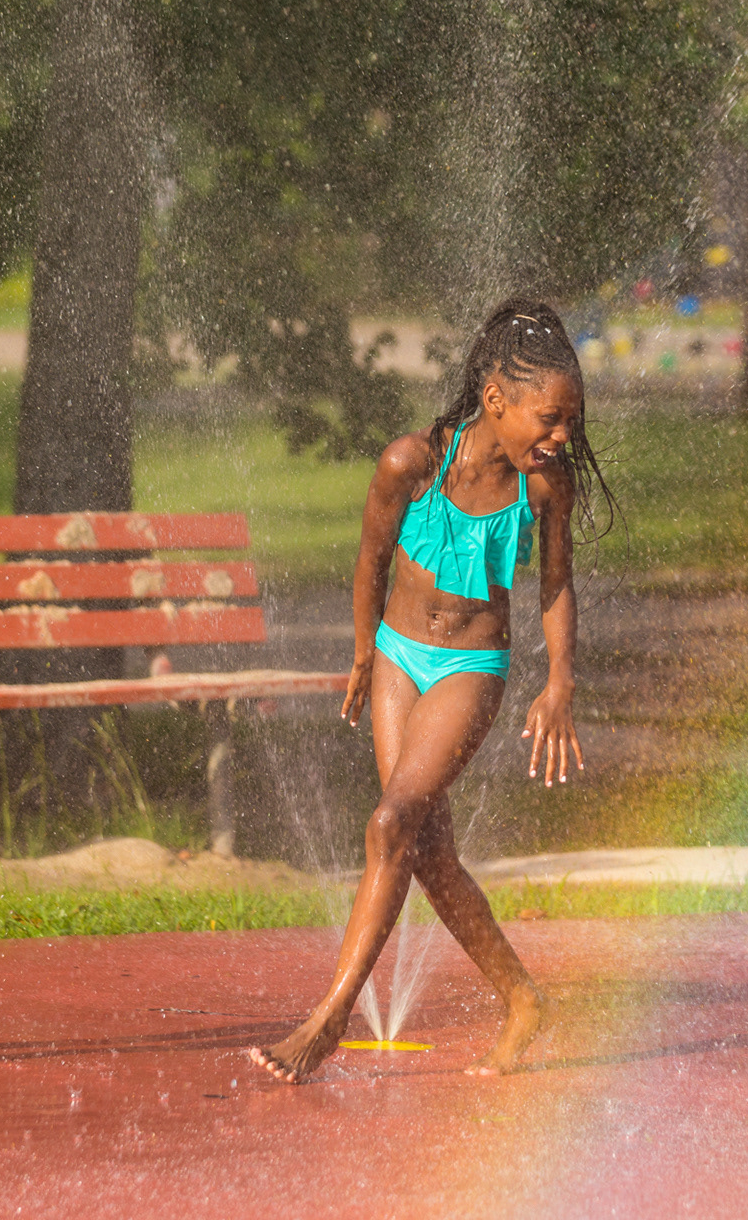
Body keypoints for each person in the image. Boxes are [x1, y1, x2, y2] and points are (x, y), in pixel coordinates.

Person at [249, 298, 614, 1083]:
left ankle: (331, 1014)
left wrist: (560, 681)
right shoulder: (409, 464)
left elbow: (555, 584)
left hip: (469, 668)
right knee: (425, 851)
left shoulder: (544, 488)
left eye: (569, 425)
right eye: (549, 420)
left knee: (390, 823)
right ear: (496, 401)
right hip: (396, 659)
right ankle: (521, 997)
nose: (559, 440)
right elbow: (370, 560)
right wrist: (359, 654)